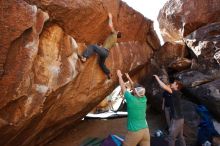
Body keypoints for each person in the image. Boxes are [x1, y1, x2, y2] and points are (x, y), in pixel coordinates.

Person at [79, 13, 121, 79]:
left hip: (104, 51)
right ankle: (108, 73)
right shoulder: (114, 40)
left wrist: (110, 18)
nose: (116, 30)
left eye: (117, 31)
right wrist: (101, 47)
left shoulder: (114, 34)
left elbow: (110, 25)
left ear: (117, 33)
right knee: (101, 63)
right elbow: (108, 46)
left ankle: (84, 57)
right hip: (106, 53)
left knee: (92, 46)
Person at [117, 70, 150, 146]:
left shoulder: (131, 99)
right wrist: (128, 77)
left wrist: (119, 76)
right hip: (145, 130)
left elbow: (123, 87)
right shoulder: (144, 99)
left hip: (135, 131)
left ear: (134, 92)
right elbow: (135, 88)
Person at [153, 75, 186, 146]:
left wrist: (157, 78)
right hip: (180, 118)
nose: (172, 84)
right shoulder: (176, 93)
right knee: (180, 137)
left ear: (176, 86)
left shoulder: (176, 93)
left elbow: (164, 86)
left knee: (171, 138)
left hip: (177, 119)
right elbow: (166, 88)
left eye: (173, 83)